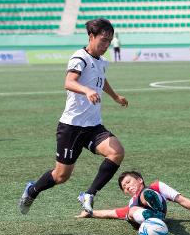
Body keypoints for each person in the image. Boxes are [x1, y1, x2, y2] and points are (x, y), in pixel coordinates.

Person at [19, 18, 129, 215]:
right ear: (91, 36)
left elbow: (101, 80)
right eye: (103, 40)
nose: (106, 45)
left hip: (93, 126)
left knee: (117, 152)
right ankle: (32, 190)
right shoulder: (79, 58)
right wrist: (86, 91)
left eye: (109, 42)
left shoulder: (102, 61)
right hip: (72, 127)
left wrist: (115, 96)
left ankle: (89, 194)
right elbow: (69, 82)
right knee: (61, 176)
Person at [76, 171, 190, 228]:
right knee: (131, 211)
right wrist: (90, 213)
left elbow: (183, 201)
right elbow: (112, 213)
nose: (127, 187)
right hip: (143, 218)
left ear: (140, 180)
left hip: (158, 207)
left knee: (146, 193)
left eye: (129, 182)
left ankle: (156, 215)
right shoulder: (131, 203)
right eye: (124, 187)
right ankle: (151, 219)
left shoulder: (158, 186)